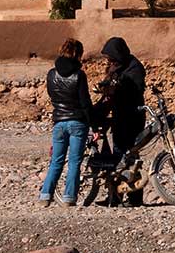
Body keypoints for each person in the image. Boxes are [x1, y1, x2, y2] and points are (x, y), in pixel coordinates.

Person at [38, 38, 92, 207]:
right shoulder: (79, 75)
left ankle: (45, 195)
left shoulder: (51, 74)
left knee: (56, 161)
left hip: (59, 122)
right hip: (77, 122)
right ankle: (69, 198)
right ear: (77, 54)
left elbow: (53, 96)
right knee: (75, 162)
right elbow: (85, 102)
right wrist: (94, 123)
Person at [98, 36, 147, 204]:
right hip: (119, 118)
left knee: (131, 157)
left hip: (133, 118)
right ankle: (115, 196)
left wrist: (117, 89)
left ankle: (134, 197)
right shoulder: (116, 67)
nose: (109, 61)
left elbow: (135, 90)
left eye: (111, 57)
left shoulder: (135, 68)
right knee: (119, 158)